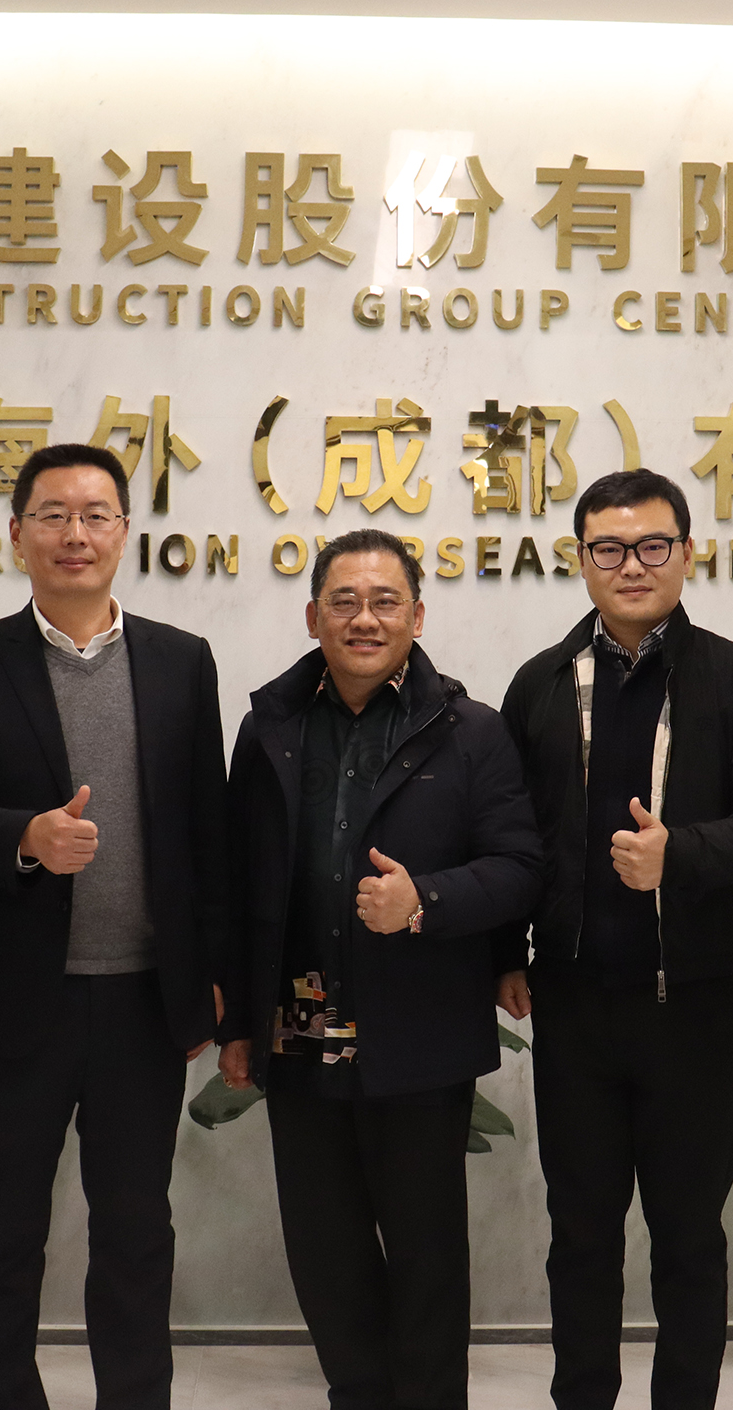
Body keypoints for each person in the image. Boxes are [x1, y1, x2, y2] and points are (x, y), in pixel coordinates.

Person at [0, 442, 228, 1410]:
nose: (74, 533)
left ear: (124, 533)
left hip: (143, 997)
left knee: (136, 1229)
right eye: (52, 515)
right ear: (17, 535)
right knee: (1, 1228)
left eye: (95, 515)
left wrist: (215, 973)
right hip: (14, 998)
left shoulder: (181, 661)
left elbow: (208, 826)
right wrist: (25, 838)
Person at [496, 468, 733, 1410]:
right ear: (581, 558)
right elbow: (507, 834)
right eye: (609, 547)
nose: (631, 565)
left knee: (689, 1240)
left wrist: (681, 855)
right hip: (574, 1005)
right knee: (580, 1236)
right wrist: (506, 950)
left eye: (651, 545)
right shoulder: (540, 684)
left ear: (686, 552)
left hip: (693, 1008)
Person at [219, 529, 542, 1410]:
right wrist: (238, 1021)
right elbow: (238, 879)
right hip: (299, 1028)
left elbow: (520, 867)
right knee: (324, 1249)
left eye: (385, 601)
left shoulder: (471, 732)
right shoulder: (270, 728)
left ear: (417, 616)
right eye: (345, 602)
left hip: (417, 1029)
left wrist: (423, 900)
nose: (365, 619)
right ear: (313, 616)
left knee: (427, 1251)